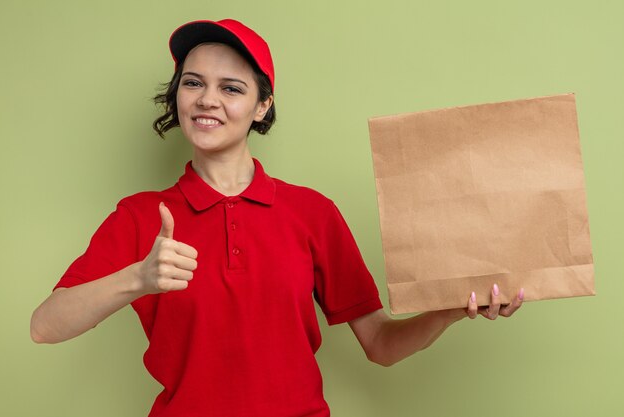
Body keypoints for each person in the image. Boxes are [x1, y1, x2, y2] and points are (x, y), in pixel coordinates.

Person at [30, 19, 524, 417]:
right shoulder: (141, 216)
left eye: (232, 88)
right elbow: (45, 325)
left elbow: (380, 344)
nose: (207, 99)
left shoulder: (312, 213)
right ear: (177, 95)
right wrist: (137, 277)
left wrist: (453, 308)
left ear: (262, 106)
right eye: (193, 83)